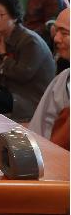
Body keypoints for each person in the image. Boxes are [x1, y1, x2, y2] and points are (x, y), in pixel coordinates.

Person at [0, 0, 56, 121]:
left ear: (14, 17)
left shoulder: (30, 41)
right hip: (9, 89)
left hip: (29, 98)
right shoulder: (0, 39)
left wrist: (3, 54)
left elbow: (22, 75)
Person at [30, 9, 69, 149]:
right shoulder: (63, 79)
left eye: (64, 33)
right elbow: (39, 129)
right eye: (56, 31)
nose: (56, 38)